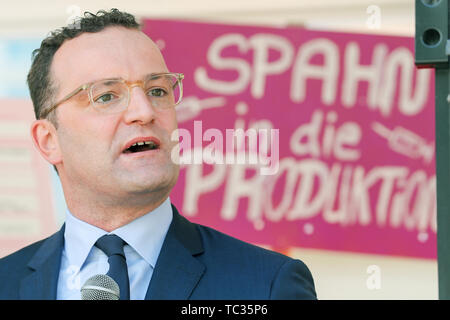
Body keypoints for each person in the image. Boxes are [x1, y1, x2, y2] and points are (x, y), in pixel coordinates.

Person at [0, 9, 316, 300]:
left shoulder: (267, 285)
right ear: (48, 140)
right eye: (107, 95)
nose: (144, 111)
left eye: (158, 91)